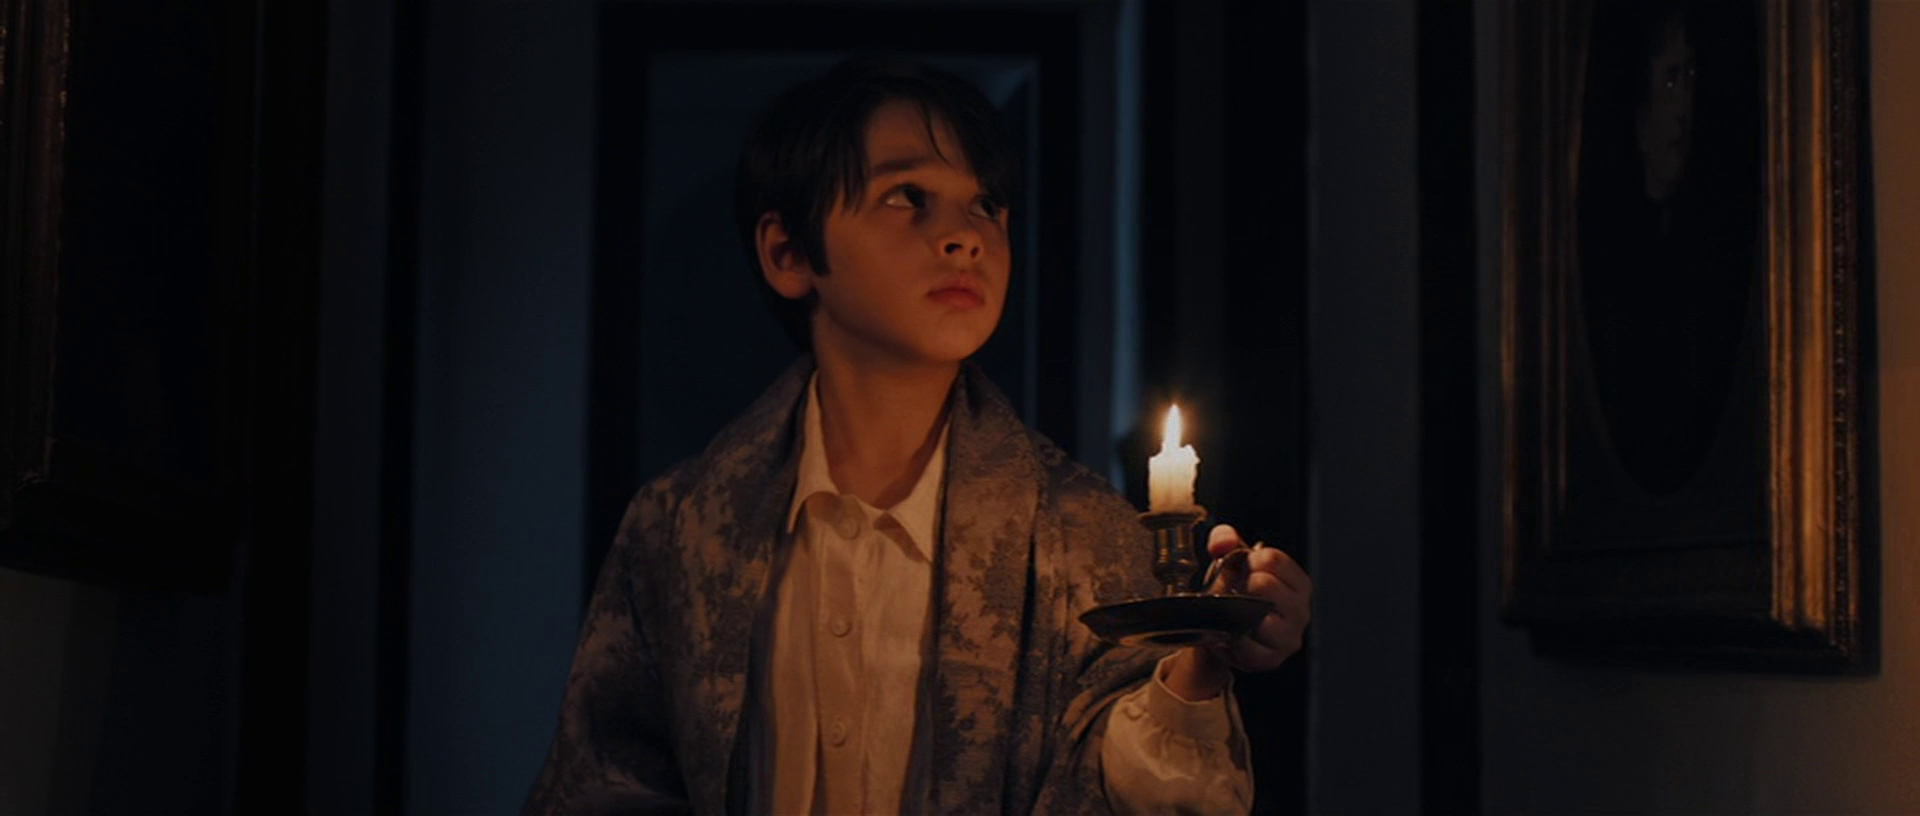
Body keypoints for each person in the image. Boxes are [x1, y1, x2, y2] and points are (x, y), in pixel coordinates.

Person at [523, 56, 1313, 815]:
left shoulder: (1082, 533)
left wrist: (1202, 663)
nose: (964, 235)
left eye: (986, 205)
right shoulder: (680, 529)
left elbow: (1128, 790)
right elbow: (606, 784)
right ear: (789, 252)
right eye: (907, 196)